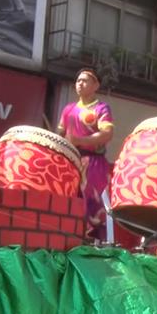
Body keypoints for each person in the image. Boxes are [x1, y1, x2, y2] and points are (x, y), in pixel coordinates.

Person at [57, 68, 113, 240]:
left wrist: (80, 141)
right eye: (78, 80)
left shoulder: (101, 108)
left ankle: (97, 241)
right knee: (69, 199)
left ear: (95, 85)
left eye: (85, 80)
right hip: (71, 161)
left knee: (94, 204)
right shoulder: (68, 109)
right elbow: (60, 133)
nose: (80, 83)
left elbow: (107, 134)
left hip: (93, 163)